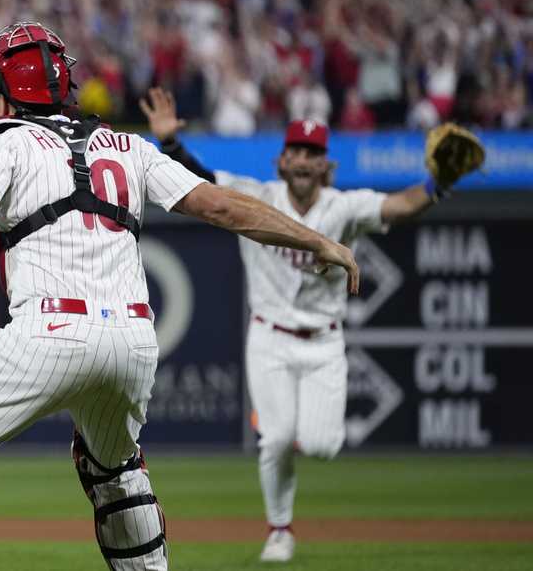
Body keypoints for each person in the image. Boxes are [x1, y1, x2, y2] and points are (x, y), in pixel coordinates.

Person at [0, 22, 359, 571]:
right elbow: (224, 206)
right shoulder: (130, 147)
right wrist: (322, 242)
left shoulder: (8, 143)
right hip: (133, 342)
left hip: (49, 333)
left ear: (4, 90)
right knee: (117, 470)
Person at [141, 86, 447, 562]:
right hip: (269, 336)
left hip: (325, 342)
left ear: (327, 165)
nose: (304, 160)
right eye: (296, 151)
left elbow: (402, 206)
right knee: (277, 438)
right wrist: (171, 144)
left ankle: (288, 459)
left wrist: (437, 184)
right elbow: (199, 180)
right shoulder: (257, 196)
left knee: (323, 446)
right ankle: (279, 529)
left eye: (313, 153)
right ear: (282, 161)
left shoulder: (343, 207)